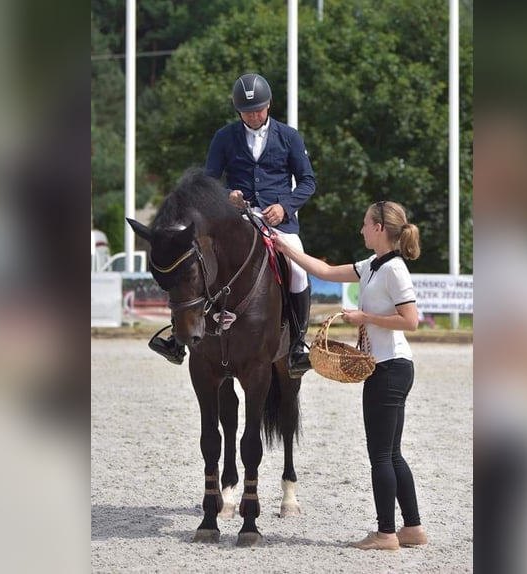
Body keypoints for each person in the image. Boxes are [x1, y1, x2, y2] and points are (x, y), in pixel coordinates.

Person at [272, 200, 428, 551]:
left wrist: (366, 318)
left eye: (364, 224)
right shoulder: (372, 265)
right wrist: (285, 247)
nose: (361, 229)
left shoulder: (394, 270)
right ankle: (413, 528)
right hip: (388, 366)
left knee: (381, 456)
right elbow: (325, 271)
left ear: (378, 228)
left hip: (390, 368)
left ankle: (386, 534)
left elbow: (411, 321)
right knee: (393, 453)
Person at [148, 72, 317, 377]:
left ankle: (298, 344)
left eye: (259, 109)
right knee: (199, 262)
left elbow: (307, 181)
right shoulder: (224, 137)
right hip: (235, 219)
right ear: (238, 111)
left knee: (299, 270)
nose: (254, 115)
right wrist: (228, 196)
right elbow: (208, 182)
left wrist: (285, 206)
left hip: (278, 220)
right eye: (247, 111)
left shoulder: (289, 137)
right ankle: (178, 339)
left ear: (269, 105)